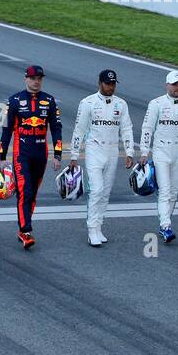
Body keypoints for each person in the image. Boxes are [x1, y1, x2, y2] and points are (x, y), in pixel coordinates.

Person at [0, 65, 63, 249]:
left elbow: (56, 129)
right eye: (33, 78)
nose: (36, 81)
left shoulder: (49, 101)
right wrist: (2, 156)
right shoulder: (13, 101)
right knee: (24, 190)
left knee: (32, 193)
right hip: (22, 153)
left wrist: (57, 154)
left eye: (39, 78)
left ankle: (24, 225)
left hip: (40, 153)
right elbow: (6, 130)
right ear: (25, 79)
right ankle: (25, 230)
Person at [70, 70, 135, 247]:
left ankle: (98, 227)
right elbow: (79, 130)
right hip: (94, 150)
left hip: (113, 151)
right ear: (100, 83)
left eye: (113, 84)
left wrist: (129, 152)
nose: (110, 87)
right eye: (107, 83)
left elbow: (127, 129)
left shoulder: (121, 104)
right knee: (97, 190)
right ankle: (91, 230)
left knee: (105, 193)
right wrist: (74, 155)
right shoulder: (87, 103)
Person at [139, 70, 178, 244]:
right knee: (165, 190)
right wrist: (144, 151)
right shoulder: (156, 104)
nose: (177, 87)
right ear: (167, 85)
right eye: (174, 84)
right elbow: (147, 128)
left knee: (174, 192)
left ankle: (164, 222)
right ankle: (166, 225)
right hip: (161, 151)